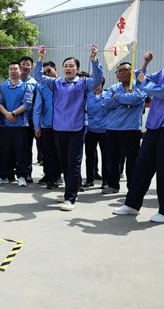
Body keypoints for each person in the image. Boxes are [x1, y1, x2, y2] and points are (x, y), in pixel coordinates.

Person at [114, 36, 164, 223]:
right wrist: (145, 63)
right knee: (142, 165)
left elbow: (163, 91)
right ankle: (132, 204)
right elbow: (141, 79)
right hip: (154, 123)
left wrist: (145, 82)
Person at [35, 45, 102, 211]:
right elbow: (38, 76)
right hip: (59, 128)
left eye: (72, 66)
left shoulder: (83, 83)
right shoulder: (56, 83)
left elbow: (98, 79)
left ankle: (70, 198)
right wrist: (41, 58)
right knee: (64, 162)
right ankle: (69, 192)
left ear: (77, 69)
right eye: (66, 66)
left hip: (76, 129)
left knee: (73, 163)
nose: (68, 68)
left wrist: (94, 59)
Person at [102, 62, 147, 194]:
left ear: (132, 72)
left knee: (132, 159)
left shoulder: (138, 85)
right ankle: (113, 185)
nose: (121, 73)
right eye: (118, 71)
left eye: (124, 70)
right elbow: (107, 103)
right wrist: (126, 98)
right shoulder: (113, 87)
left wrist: (118, 97)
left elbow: (136, 99)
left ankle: (132, 187)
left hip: (131, 128)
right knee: (113, 158)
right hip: (113, 128)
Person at [0, 61, 34, 187]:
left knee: (21, 152)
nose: (13, 71)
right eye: (11, 69)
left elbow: (27, 104)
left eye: (15, 69)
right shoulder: (3, 87)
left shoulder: (26, 86)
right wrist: (6, 114)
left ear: (20, 71)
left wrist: (13, 114)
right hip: (5, 125)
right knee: (5, 151)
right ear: (8, 71)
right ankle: (3, 176)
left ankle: (21, 176)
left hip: (21, 125)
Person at [33, 61, 62, 189]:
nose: (47, 74)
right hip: (47, 125)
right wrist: (37, 126)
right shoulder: (41, 88)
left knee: (60, 153)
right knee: (48, 153)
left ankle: (58, 175)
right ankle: (51, 177)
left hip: (63, 125)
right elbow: (37, 108)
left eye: (49, 71)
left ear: (55, 69)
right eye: (44, 73)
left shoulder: (64, 84)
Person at [83, 78, 109, 190]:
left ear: (102, 84)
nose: (96, 85)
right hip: (90, 129)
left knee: (106, 156)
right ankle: (90, 179)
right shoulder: (87, 96)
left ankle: (106, 181)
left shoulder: (107, 95)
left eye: (98, 83)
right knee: (90, 155)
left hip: (105, 129)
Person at [19, 56, 38, 183]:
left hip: (29, 119)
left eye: (28, 64)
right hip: (15, 119)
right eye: (23, 64)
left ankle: (27, 172)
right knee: (16, 147)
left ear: (31, 67)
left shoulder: (35, 83)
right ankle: (15, 172)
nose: (25, 66)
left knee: (27, 147)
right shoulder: (13, 81)